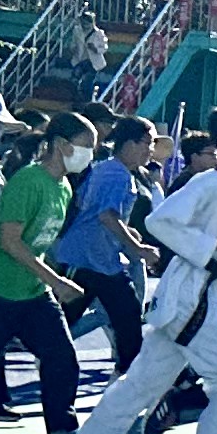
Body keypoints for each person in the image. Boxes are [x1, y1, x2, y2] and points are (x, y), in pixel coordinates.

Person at [53, 104, 217, 434]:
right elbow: (160, 222)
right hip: (191, 299)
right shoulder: (209, 182)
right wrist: (213, 246)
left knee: (142, 383)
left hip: (198, 297)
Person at [0, 110, 94, 434]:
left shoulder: (64, 188)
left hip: (32, 291)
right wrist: (56, 281)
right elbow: (10, 242)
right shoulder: (28, 181)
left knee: (61, 358)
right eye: (86, 146)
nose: (89, 155)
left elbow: (39, 244)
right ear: (60, 144)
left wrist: (48, 279)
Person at [51, 113, 160, 376]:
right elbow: (106, 215)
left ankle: (127, 372)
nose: (151, 150)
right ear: (130, 143)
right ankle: (128, 373)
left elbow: (95, 211)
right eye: (148, 143)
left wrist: (127, 233)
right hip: (86, 258)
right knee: (118, 314)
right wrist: (137, 248)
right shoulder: (117, 174)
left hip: (99, 259)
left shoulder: (107, 169)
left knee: (123, 314)